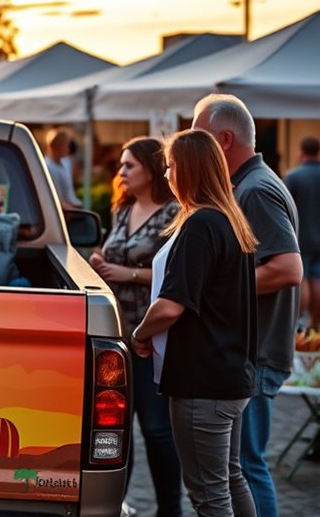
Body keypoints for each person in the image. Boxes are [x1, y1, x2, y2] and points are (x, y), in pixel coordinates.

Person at [132, 128, 258, 517]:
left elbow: (171, 305)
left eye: (170, 167)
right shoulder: (230, 220)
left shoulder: (201, 224)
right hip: (229, 374)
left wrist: (139, 332)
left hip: (201, 381)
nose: (167, 175)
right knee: (230, 479)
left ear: (187, 170)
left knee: (208, 494)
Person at [192, 94, 301, 517]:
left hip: (256, 354)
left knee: (246, 468)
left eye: (200, 137)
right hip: (252, 352)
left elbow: (288, 269)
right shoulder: (252, 184)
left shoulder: (256, 189)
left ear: (223, 139)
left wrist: (216, 291)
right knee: (241, 467)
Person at [89, 137, 183, 516]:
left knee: (157, 430)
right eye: (121, 166)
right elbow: (113, 254)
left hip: (151, 337)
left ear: (151, 167)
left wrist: (125, 272)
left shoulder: (173, 213)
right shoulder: (123, 209)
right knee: (114, 430)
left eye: (129, 165)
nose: (121, 172)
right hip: (115, 337)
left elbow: (175, 276)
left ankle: (170, 509)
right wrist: (99, 262)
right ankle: (112, 505)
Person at [284, 136, 320, 332]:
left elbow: (284, 207)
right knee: (318, 280)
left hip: (301, 236)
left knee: (303, 280)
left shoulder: (294, 176)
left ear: (301, 152)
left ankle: (300, 324)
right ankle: (315, 325)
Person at [45, 128, 81, 209]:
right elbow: (55, 196)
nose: (68, 148)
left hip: (72, 207)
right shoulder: (48, 166)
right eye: (66, 145)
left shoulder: (65, 162)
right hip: (62, 210)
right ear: (58, 146)